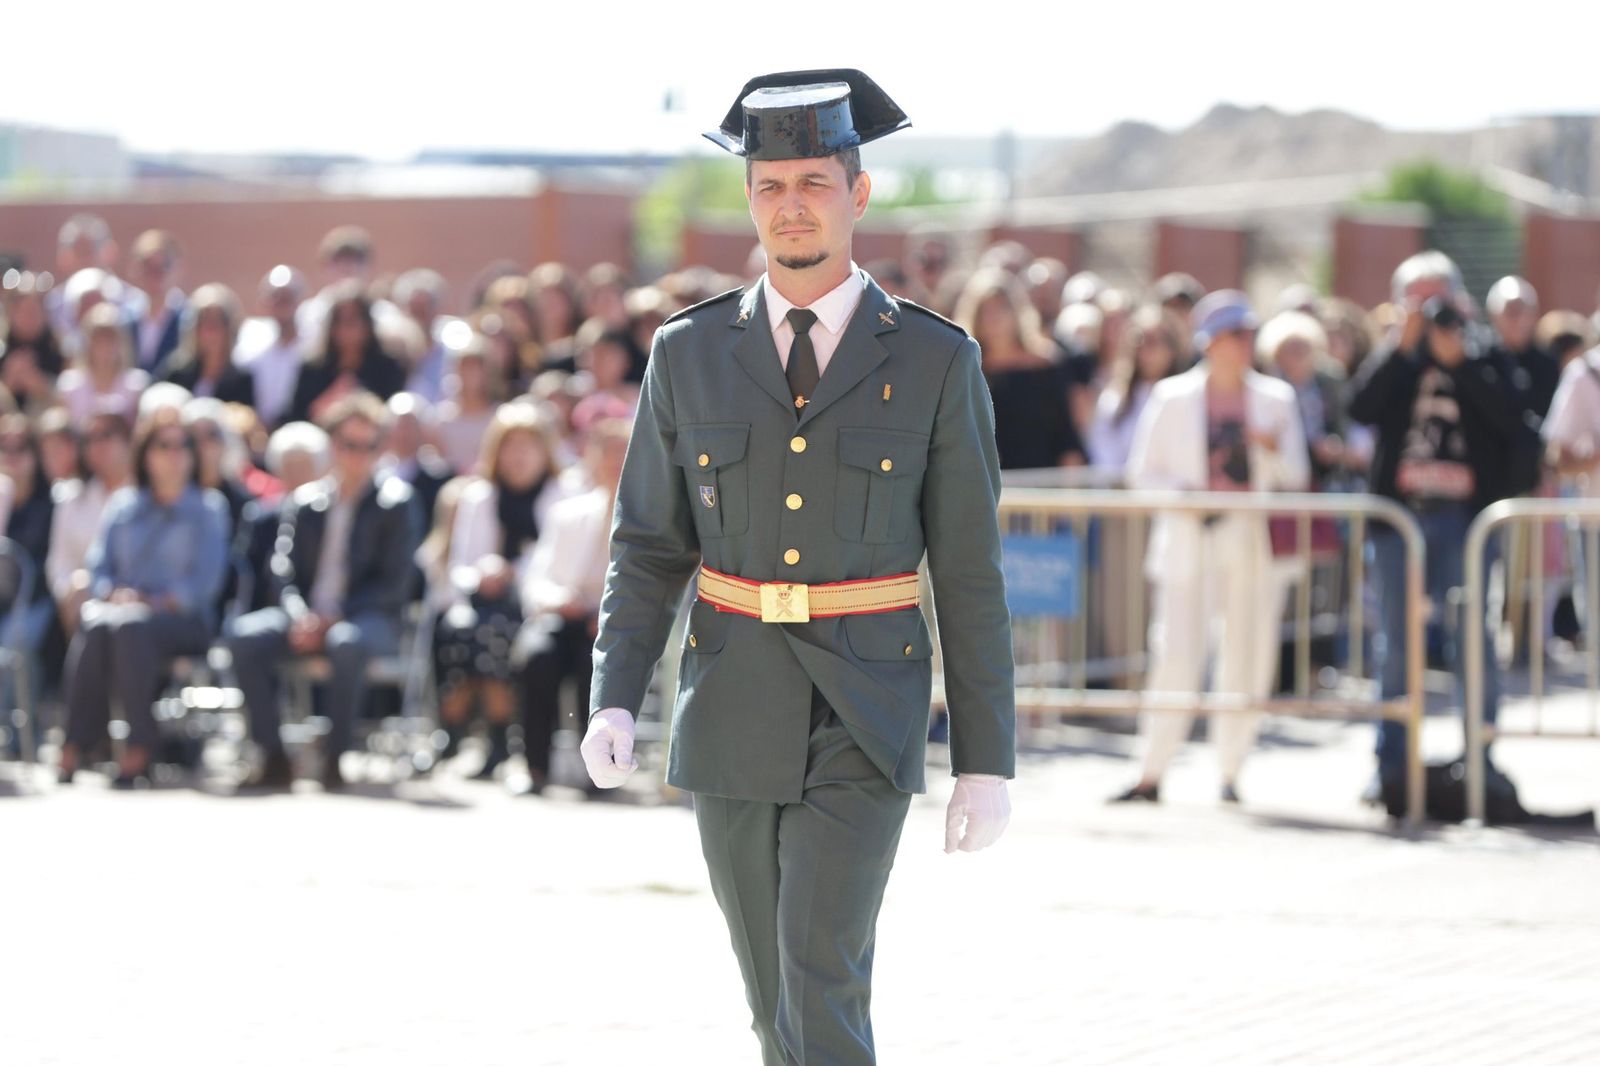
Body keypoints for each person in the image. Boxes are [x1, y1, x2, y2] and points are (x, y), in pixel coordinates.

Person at [580, 69, 1015, 1066]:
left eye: (814, 183)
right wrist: (614, 693)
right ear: (748, 199)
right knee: (771, 989)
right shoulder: (686, 355)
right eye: (771, 185)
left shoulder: (935, 360)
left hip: (867, 701)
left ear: (858, 195)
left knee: (819, 972)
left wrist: (986, 757)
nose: (791, 205)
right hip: (731, 693)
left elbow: (969, 571)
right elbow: (647, 545)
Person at [1108, 291, 1309, 805]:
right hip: (1188, 536)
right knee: (1175, 652)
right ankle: (1152, 771)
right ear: (1212, 342)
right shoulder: (1172, 397)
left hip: (1247, 536)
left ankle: (1230, 769)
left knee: (1247, 651)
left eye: (1247, 334)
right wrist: (1187, 497)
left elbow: (1297, 474)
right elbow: (1142, 473)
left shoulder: (1275, 398)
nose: (1244, 345)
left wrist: (1269, 450)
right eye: (1235, 335)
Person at [1348, 252, 1525, 812]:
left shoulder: (1483, 355)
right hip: (1401, 519)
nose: (1428, 312)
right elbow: (1360, 407)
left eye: (1437, 300)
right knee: (1396, 648)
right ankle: (1391, 768)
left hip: (1466, 523)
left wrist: (1461, 363)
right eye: (1417, 301)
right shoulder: (1397, 357)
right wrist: (1403, 346)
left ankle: (1481, 761)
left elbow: (1514, 423)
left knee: (1473, 643)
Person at [225, 391, 421, 791]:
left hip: (367, 619)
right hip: (308, 616)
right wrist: (301, 617)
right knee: (244, 638)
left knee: (345, 643)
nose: (359, 455)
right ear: (332, 446)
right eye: (350, 445)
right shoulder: (305, 502)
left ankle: (334, 759)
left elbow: (394, 583)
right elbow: (283, 572)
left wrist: (334, 617)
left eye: (369, 446)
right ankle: (274, 757)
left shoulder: (396, 503)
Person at [55, 412, 230, 787]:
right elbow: (98, 566)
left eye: (183, 445)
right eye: (162, 445)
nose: (174, 455)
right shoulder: (124, 505)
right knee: (99, 621)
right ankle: (80, 740)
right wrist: (110, 593)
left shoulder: (208, 508)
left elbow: (206, 584)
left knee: (129, 624)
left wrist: (158, 601)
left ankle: (140, 745)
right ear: (145, 453)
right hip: (121, 616)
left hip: (185, 621)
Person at [431, 402, 567, 779]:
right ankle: (466, 731)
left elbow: (554, 560)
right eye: (510, 445)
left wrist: (513, 573)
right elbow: (460, 564)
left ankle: (497, 740)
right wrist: (482, 575)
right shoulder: (480, 497)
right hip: (480, 601)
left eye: (528, 445)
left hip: (532, 604)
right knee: (456, 629)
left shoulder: (561, 496)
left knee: (493, 633)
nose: (519, 455)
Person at [513, 416, 627, 795]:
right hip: (564, 616)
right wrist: (558, 601)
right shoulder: (567, 513)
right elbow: (537, 577)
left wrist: (609, 614)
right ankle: (534, 768)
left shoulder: (649, 517)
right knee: (536, 657)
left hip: (612, 624)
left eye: (622, 451)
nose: (614, 460)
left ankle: (601, 774)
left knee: (594, 665)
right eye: (606, 451)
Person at [952, 267, 1085, 470]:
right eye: (985, 311)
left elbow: (1067, 438)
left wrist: (1069, 493)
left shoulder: (1045, 366)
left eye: (1001, 308)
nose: (994, 319)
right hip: (982, 489)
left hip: (1040, 486)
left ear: (1016, 311)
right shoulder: (965, 369)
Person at [285, 280, 407, 426]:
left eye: (354, 319)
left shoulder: (388, 367)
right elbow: (298, 418)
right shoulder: (312, 369)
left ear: (367, 324)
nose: (348, 327)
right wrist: (333, 396)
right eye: (342, 320)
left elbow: (392, 417)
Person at [159, 284, 256, 407]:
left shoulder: (241, 380)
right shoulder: (177, 373)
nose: (210, 332)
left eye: (216, 323)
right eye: (204, 323)